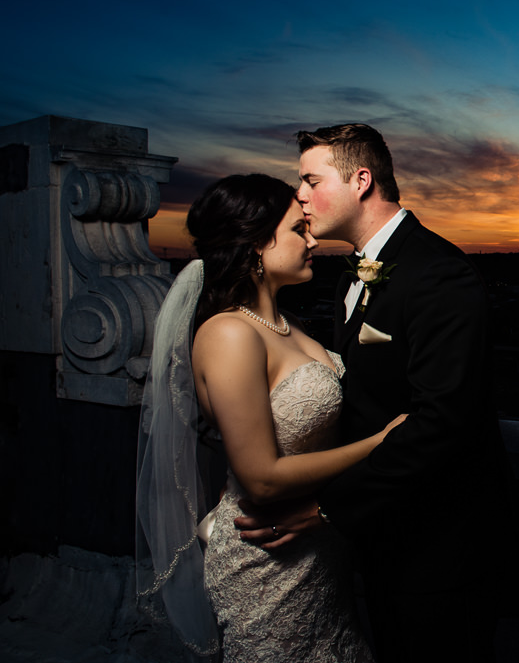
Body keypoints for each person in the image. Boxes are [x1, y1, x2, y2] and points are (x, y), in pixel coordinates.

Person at [234, 123, 511, 663]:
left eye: (311, 180)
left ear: (361, 180)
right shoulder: (350, 277)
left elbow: (441, 424)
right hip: (384, 537)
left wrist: (325, 510)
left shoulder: (438, 273)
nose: (300, 195)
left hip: (441, 548)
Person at [136, 173, 406, 661]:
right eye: (298, 231)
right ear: (257, 244)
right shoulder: (229, 335)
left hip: (320, 555)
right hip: (266, 569)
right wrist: (379, 443)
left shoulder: (288, 325)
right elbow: (259, 480)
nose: (312, 239)